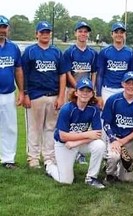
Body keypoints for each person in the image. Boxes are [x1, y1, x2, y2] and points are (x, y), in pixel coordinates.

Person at [45, 78, 106, 188]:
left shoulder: (94, 109)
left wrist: (77, 142)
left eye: (88, 91)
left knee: (100, 145)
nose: (85, 93)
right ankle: (50, 167)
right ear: (76, 92)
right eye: (82, 90)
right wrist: (87, 134)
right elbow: (63, 136)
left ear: (92, 94)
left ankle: (91, 178)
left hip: (75, 143)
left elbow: (97, 134)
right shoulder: (67, 109)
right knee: (66, 181)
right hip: (64, 144)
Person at [22, 21, 66, 168]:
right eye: (42, 32)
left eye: (47, 32)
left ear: (50, 34)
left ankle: (48, 157)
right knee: (35, 128)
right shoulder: (29, 51)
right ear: (37, 34)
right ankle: (33, 158)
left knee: (51, 128)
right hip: (35, 95)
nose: (45, 34)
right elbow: (24, 74)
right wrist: (25, 94)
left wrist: (61, 96)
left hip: (53, 94)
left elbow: (62, 75)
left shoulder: (57, 52)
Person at [101, 71, 133, 183]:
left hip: (129, 140)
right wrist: (113, 139)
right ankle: (109, 174)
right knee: (114, 156)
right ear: (123, 84)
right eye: (128, 83)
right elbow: (106, 123)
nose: (131, 86)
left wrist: (124, 140)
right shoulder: (113, 100)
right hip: (114, 138)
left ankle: (116, 166)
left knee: (127, 179)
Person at [62, 21, 98, 164]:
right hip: (72, 89)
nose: (83, 34)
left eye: (85, 31)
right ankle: (69, 148)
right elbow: (66, 72)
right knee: (72, 120)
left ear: (88, 34)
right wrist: (77, 88)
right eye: (80, 31)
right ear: (75, 33)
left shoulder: (92, 53)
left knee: (85, 120)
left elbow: (94, 72)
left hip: (87, 91)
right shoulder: (69, 52)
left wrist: (92, 88)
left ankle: (81, 151)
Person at [0, 15, 24, 169]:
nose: (2, 30)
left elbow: (18, 69)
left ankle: (8, 159)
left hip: (8, 92)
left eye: (4, 27)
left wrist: (22, 91)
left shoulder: (13, 47)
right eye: (0, 27)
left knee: (9, 127)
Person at [96, 21, 133, 109]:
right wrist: (98, 95)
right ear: (112, 34)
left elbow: (132, 76)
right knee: (105, 120)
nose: (119, 34)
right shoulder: (104, 52)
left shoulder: (131, 53)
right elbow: (100, 75)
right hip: (107, 90)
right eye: (116, 32)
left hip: (123, 90)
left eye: (121, 32)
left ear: (125, 35)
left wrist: (131, 92)